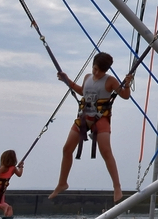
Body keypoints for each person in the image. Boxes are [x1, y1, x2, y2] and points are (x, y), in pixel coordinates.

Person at [50, 52, 133, 202]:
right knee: (66, 149)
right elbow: (81, 91)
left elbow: (125, 96)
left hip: (100, 118)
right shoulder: (88, 77)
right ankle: (62, 183)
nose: (96, 72)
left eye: (100, 70)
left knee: (106, 152)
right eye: (95, 68)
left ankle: (117, 187)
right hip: (84, 118)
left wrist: (126, 83)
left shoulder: (111, 81)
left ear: (106, 70)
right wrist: (66, 80)